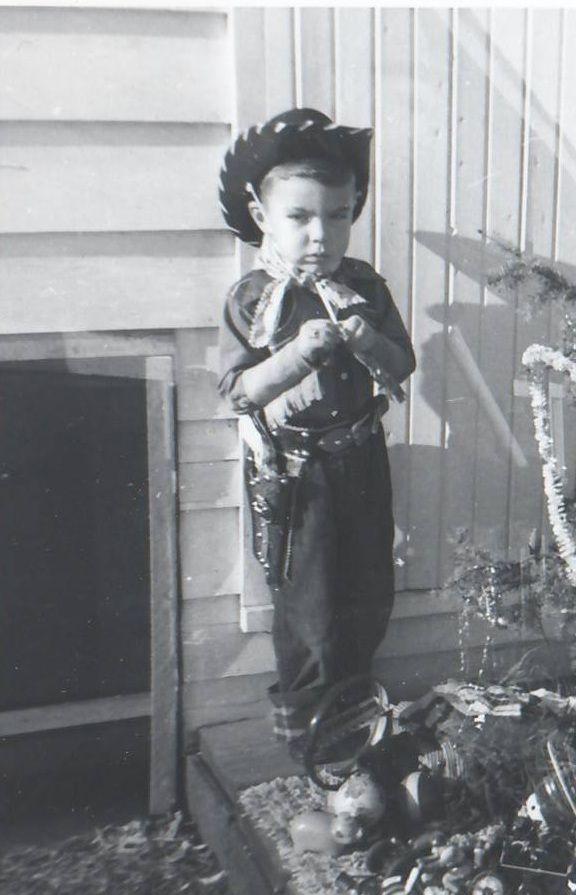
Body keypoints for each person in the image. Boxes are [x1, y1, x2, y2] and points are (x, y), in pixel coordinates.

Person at [216, 107, 416, 758]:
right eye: (299, 216)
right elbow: (238, 391)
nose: (319, 235)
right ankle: (313, 750)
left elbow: (402, 365)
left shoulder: (363, 288)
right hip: (296, 477)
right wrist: (298, 354)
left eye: (337, 215)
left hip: (361, 459)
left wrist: (369, 339)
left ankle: (357, 733)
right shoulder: (254, 299)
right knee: (310, 614)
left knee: (368, 596)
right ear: (261, 214)